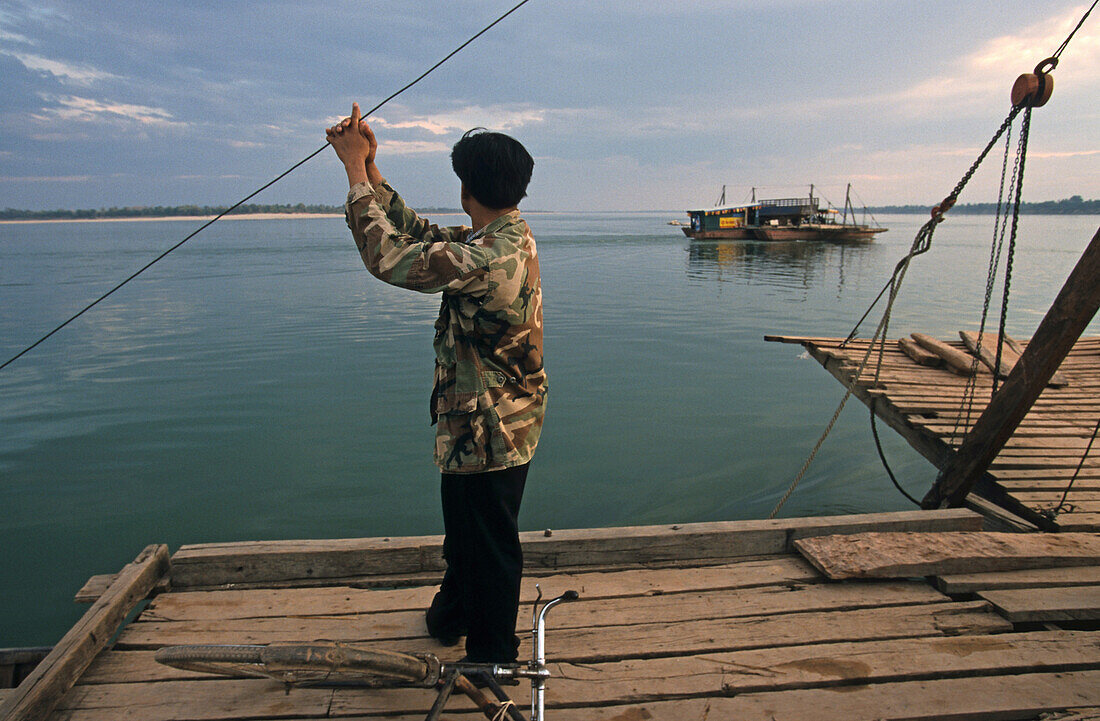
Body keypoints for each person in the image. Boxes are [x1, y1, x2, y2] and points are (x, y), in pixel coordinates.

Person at [326, 104, 547, 664]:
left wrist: (353, 177)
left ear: (468, 187)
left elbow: (391, 257)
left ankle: (493, 654)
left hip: (491, 428)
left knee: (490, 543)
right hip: (485, 422)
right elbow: (422, 235)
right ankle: (452, 615)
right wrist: (373, 169)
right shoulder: (503, 234)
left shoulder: (487, 255)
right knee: (467, 533)